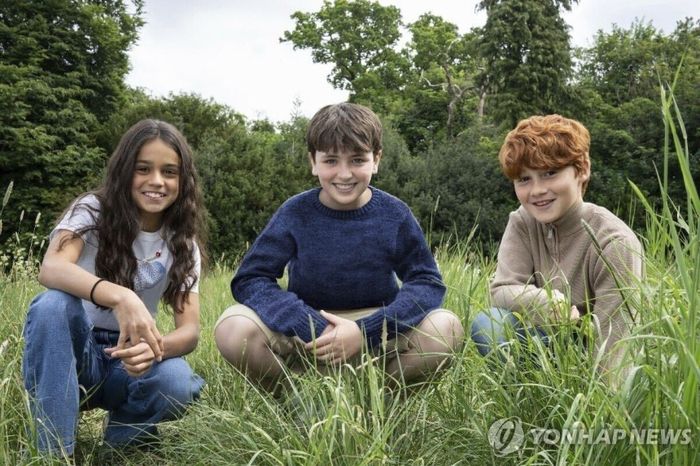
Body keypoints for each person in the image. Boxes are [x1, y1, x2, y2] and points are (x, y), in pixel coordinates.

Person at [215, 102, 464, 392]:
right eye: (331, 160)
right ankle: (297, 400)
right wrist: (306, 323)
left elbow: (427, 282)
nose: (344, 174)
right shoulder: (295, 212)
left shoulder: (395, 214)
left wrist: (366, 331)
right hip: (307, 335)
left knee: (447, 328)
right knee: (233, 328)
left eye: (357, 160)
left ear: (376, 159)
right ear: (313, 161)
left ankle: (380, 400)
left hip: (377, 334)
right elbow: (250, 278)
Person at [22, 119, 206, 455]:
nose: (157, 181)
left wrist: (156, 348)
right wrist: (122, 296)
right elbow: (51, 268)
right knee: (52, 305)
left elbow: (190, 331)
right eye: (143, 169)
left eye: (169, 172)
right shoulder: (92, 210)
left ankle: (119, 450)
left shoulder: (183, 243)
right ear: (124, 170)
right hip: (73, 350)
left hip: (129, 359)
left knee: (177, 381)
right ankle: (53, 454)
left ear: (183, 180)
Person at [471, 114, 643, 377]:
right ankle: (527, 398)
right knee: (489, 323)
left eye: (550, 173)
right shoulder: (522, 221)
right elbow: (502, 290)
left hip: (596, 352)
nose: (537, 190)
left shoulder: (614, 241)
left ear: (582, 170)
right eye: (524, 179)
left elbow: (616, 342)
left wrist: (603, 395)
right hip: (545, 342)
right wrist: (547, 303)